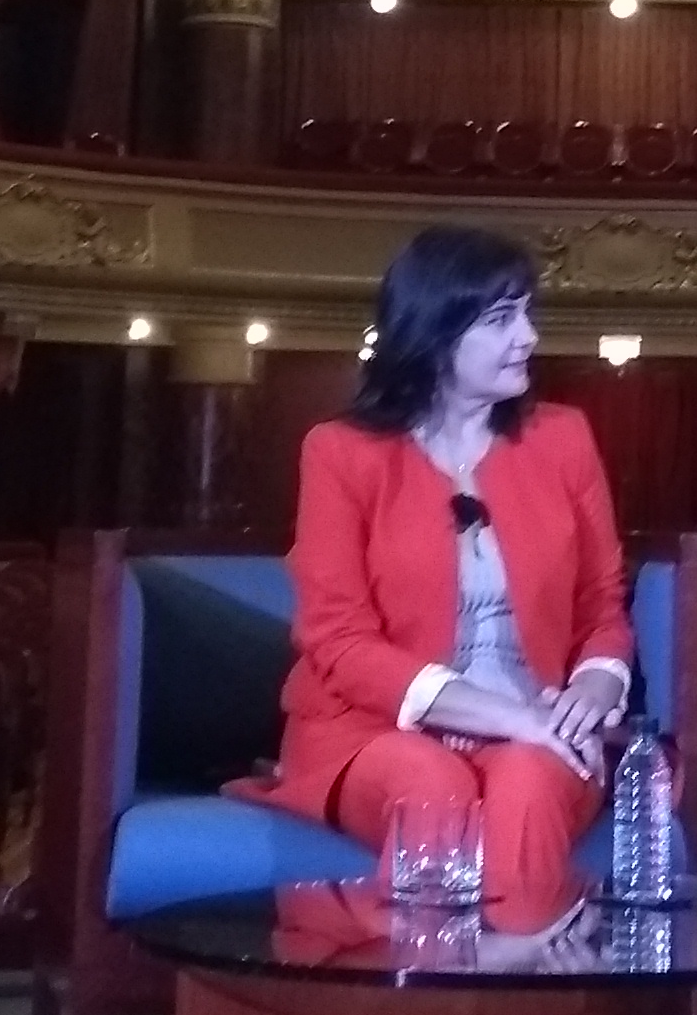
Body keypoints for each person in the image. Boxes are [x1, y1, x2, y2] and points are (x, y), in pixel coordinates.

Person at [253, 225, 636, 912]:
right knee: (432, 784)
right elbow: (337, 640)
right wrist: (508, 717)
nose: (529, 337)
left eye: (527, 314)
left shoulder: (563, 438)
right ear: (433, 333)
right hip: (371, 730)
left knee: (528, 780)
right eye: (501, 319)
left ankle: (503, 973)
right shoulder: (340, 454)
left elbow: (602, 603)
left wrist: (593, 687)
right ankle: (500, 966)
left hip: (541, 722)